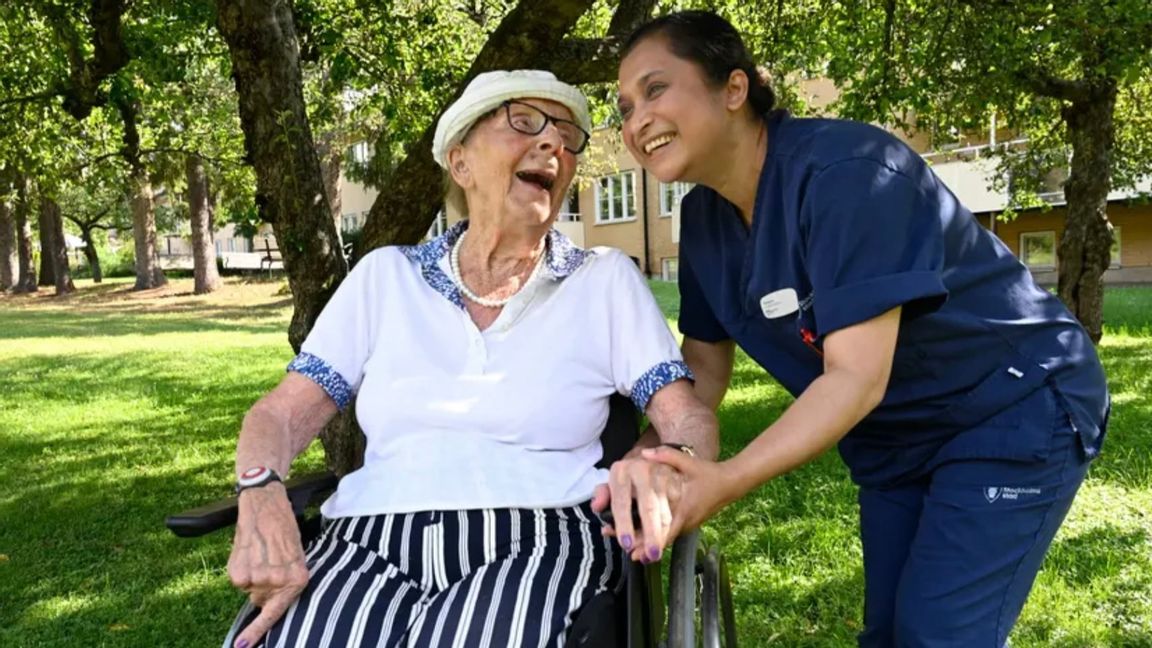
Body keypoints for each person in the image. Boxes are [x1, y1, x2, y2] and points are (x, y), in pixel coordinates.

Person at [614, 11, 1110, 648]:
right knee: (888, 634)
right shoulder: (703, 223)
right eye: (626, 107)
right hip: (896, 438)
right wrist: (654, 456)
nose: (636, 121)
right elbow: (704, 371)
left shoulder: (850, 173)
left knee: (937, 634)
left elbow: (854, 377)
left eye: (656, 89)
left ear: (733, 89)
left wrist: (726, 480)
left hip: (1012, 405)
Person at [223, 69, 718, 648]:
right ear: (460, 162)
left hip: (538, 531)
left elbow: (688, 418)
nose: (553, 143)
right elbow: (279, 416)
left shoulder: (602, 281)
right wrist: (260, 493)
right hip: (364, 535)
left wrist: (665, 463)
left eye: (564, 133)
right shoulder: (385, 277)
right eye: (525, 123)